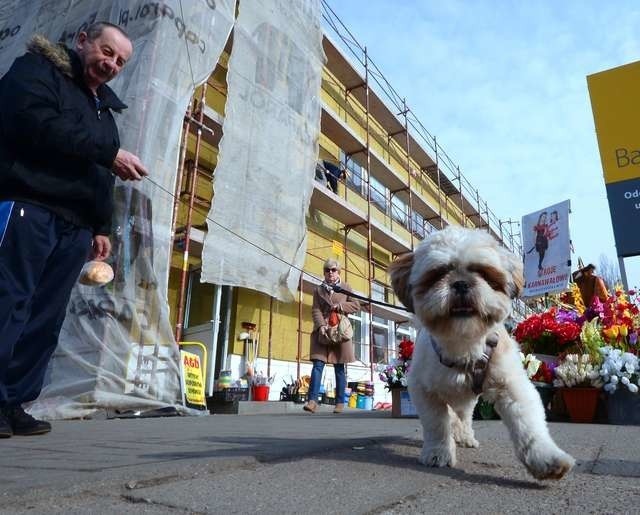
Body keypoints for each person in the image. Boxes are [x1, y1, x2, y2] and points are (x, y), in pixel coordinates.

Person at [0, 22, 148, 438]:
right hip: (28, 204)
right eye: (106, 52)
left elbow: (102, 172)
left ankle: (13, 402)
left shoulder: (103, 107)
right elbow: (33, 123)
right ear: (83, 41)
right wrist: (108, 152)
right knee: (9, 301)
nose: (111, 65)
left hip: (76, 224)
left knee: (46, 316)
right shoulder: (35, 71)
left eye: (120, 61)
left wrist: (101, 225)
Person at [304, 259, 359, 414]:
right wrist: (321, 325)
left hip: (339, 331)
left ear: (338, 272)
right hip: (322, 331)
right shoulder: (318, 290)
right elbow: (315, 309)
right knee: (317, 365)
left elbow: (356, 305)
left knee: (339, 367)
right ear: (324, 272)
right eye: (327, 270)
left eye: (333, 270)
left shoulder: (346, 287)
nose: (330, 272)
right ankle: (312, 401)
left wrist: (341, 306)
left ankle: (340, 402)